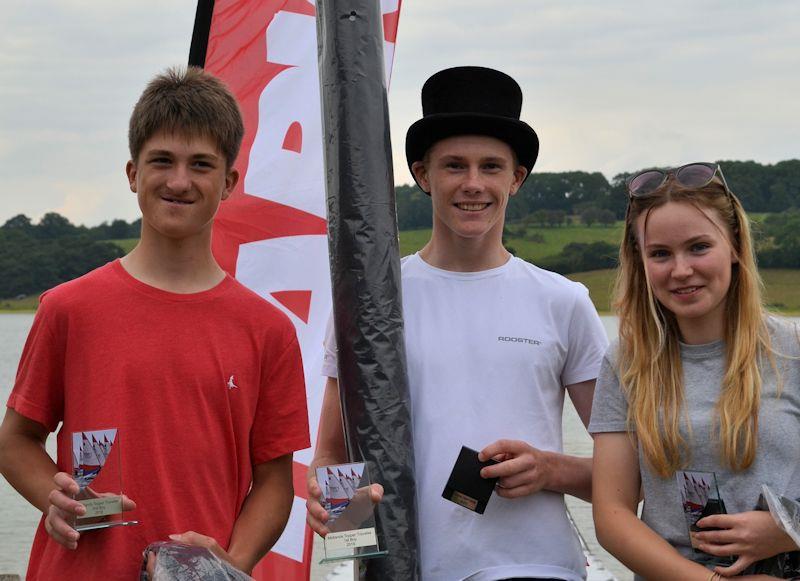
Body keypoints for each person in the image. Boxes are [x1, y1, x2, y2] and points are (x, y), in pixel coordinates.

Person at [0, 67, 310, 580]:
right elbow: (15, 441)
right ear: (131, 174)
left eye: (201, 165)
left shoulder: (268, 329)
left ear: (229, 182)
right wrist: (51, 498)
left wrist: (229, 566)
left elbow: (275, 482)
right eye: (161, 160)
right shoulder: (68, 308)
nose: (179, 181)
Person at [307, 66, 609, 581]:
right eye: (454, 166)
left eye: (491, 167)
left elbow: (632, 474)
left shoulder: (564, 301)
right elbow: (333, 456)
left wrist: (549, 468)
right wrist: (337, 512)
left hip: (536, 567)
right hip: (411, 571)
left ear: (516, 179)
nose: (473, 184)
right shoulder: (370, 304)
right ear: (424, 176)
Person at [590, 162, 800, 580]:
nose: (681, 270)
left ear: (736, 246)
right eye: (660, 254)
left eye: (699, 247)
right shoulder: (624, 364)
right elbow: (612, 516)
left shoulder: (792, 351)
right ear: (641, 262)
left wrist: (789, 531)